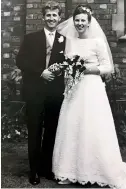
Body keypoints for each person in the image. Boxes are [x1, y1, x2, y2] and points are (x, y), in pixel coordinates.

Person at [52, 4, 126, 189]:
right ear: (73, 22)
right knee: (72, 124)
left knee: (92, 125)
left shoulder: (97, 41)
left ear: (89, 22)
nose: (80, 23)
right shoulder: (68, 41)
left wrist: (88, 68)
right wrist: (69, 70)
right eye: (77, 20)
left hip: (92, 88)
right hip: (74, 89)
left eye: (83, 20)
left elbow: (108, 67)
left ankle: (95, 169)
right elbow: (64, 63)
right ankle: (69, 171)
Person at [16, 1, 66, 185]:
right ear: (43, 17)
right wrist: (40, 72)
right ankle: (34, 171)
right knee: (35, 130)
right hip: (35, 91)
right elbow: (20, 61)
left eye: (55, 15)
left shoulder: (63, 40)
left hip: (54, 93)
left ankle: (46, 168)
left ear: (59, 17)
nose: (51, 18)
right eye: (48, 15)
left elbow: (66, 64)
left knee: (51, 131)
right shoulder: (31, 38)